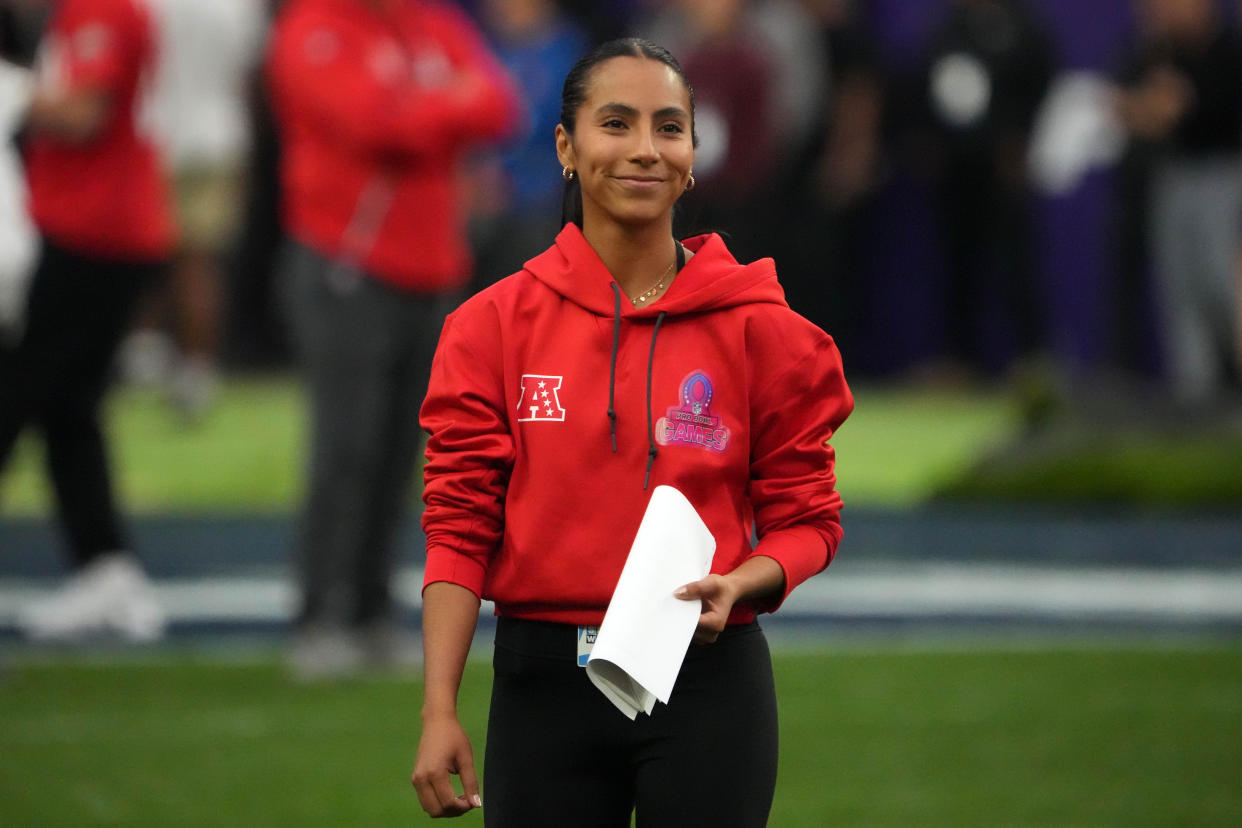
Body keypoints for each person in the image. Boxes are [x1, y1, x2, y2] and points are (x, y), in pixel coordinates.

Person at [411, 37, 853, 825]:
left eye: (669, 127)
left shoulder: (760, 328)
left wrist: (743, 580)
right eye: (616, 124)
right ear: (566, 148)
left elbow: (809, 519)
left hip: (709, 682)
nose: (645, 150)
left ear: (692, 153)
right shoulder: (490, 328)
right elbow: (457, 525)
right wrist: (438, 709)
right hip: (538, 689)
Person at [266, 0, 519, 678]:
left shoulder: (428, 22)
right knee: (346, 445)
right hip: (346, 261)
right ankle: (319, 616)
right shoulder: (313, 28)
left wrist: (421, 107)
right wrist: (441, 105)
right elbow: (373, 123)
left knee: (404, 452)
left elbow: (501, 104)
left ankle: (373, 611)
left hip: (430, 264)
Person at [1, 0, 174, 642]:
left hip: (90, 231)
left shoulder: (102, 11)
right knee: (69, 409)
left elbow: (82, 114)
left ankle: (107, 571)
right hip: (97, 226)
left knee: (17, 399)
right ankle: (106, 570)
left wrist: (12, 86)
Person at [1114, 0, 1242, 407]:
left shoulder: (1229, 48)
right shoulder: (1156, 51)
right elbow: (1130, 108)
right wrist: (1153, 107)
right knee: (1180, 289)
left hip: (1225, 177)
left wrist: (1166, 107)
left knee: (1222, 284)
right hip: (1173, 178)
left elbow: (1187, 109)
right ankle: (1196, 400)